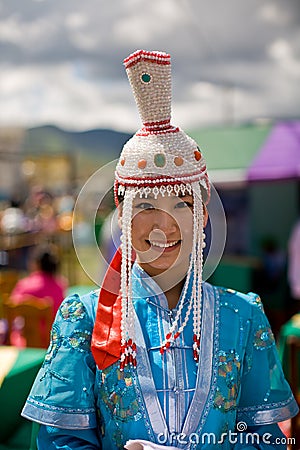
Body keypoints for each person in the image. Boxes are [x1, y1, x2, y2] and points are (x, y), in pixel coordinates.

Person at [21, 50, 298, 449]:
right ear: (123, 216)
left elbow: (264, 439)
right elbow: (60, 440)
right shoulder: (82, 319)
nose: (164, 225)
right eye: (146, 205)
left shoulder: (243, 317)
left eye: (182, 204)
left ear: (202, 216)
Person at [10, 243, 67, 315]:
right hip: (51, 326)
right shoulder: (60, 286)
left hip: (24, 326)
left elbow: (11, 308)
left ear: (37, 263)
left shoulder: (24, 285)